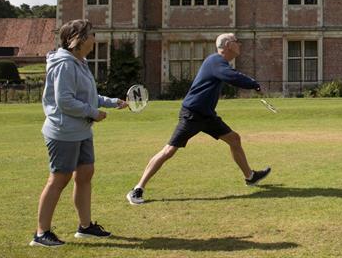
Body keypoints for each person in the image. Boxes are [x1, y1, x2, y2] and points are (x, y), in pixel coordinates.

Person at [126, 33, 270, 205]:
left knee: (234, 139)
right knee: (168, 151)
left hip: (207, 115)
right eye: (236, 42)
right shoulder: (215, 61)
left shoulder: (219, 62)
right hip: (192, 114)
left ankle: (250, 176)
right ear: (228, 45)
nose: (239, 44)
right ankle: (137, 189)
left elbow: (231, 75)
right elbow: (231, 76)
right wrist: (255, 84)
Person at [32, 19, 127, 247]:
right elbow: (64, 101)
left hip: (81, 130)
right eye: (92, 34)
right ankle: (41, 233)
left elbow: (87, 95)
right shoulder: (64, 64)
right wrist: (93, 113)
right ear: (79, 38)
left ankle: (85, 227)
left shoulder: (79, 62)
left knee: (85, 174)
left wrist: (113, 102)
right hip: (64, 130)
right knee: (59, 179)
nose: (95, 39)